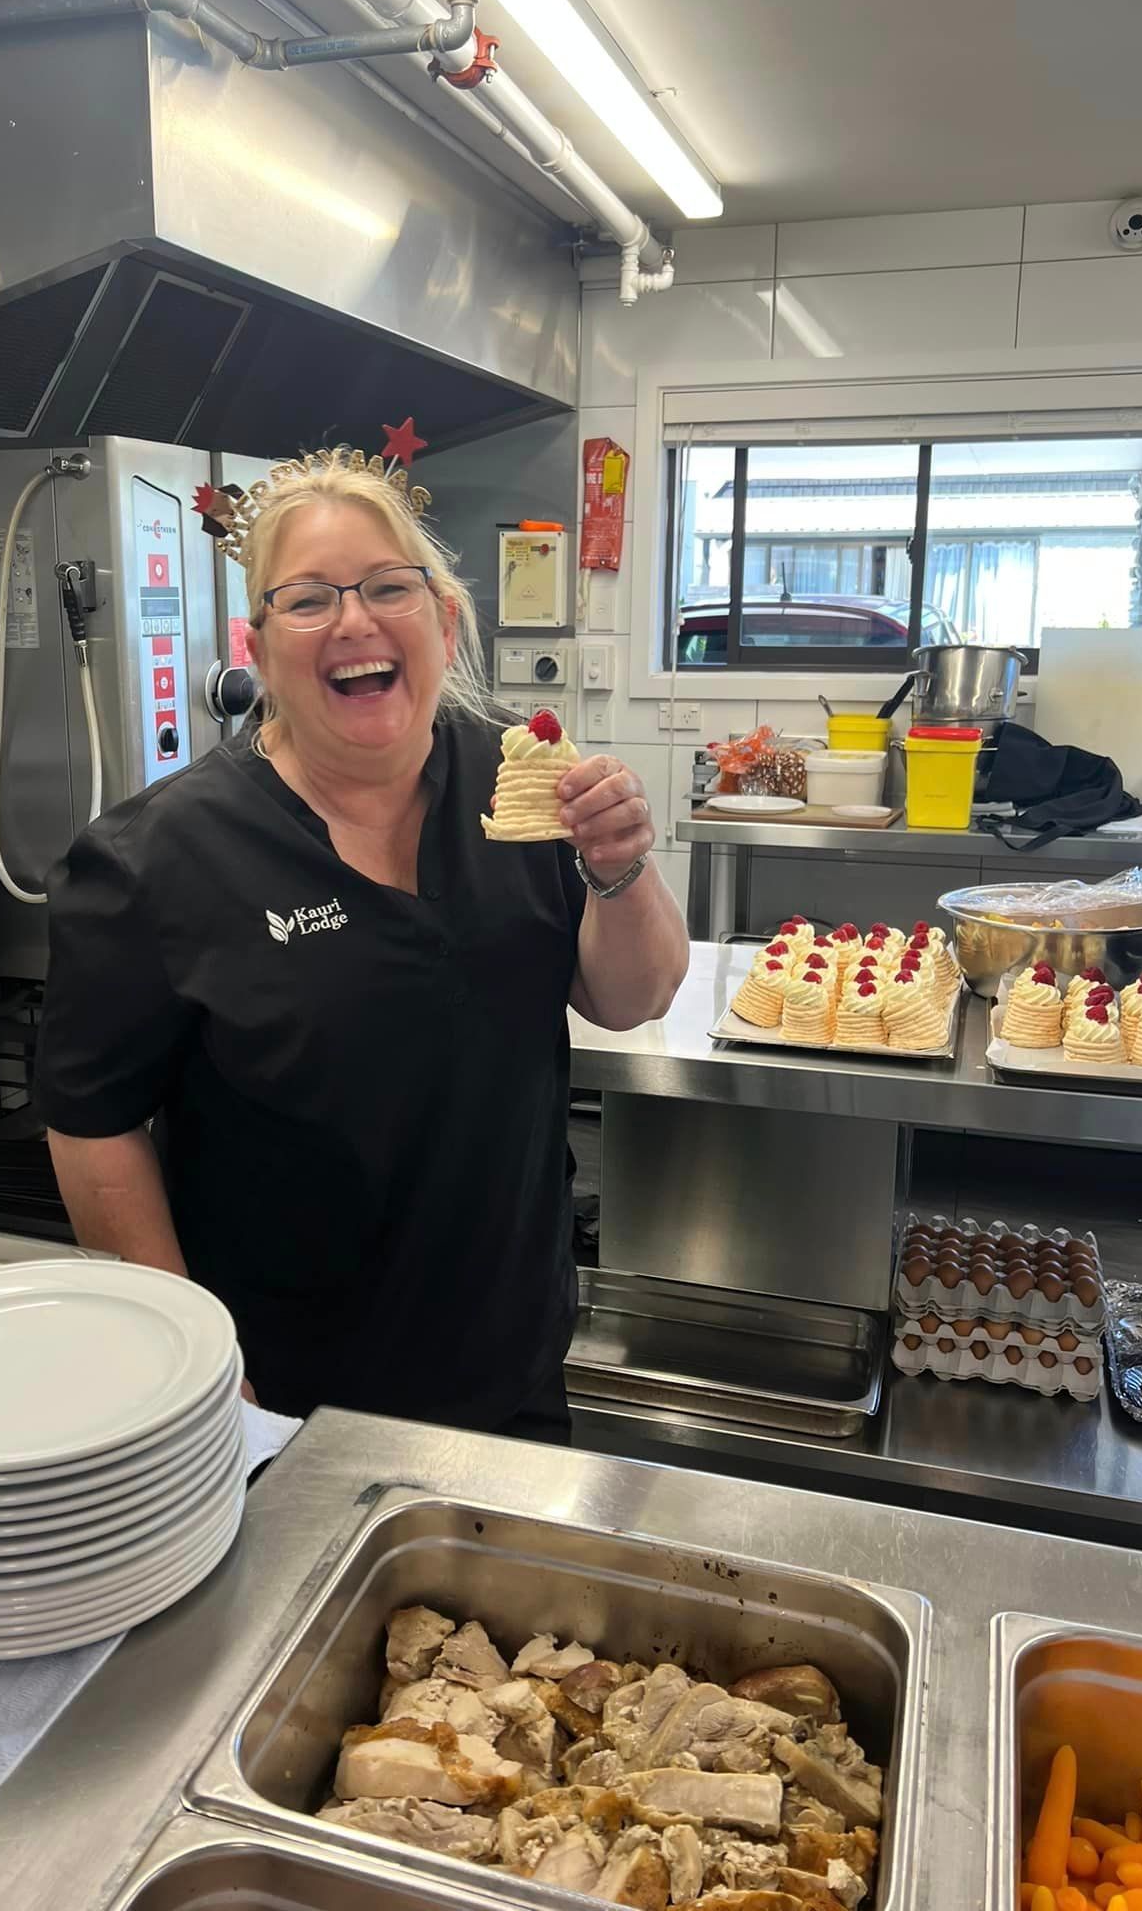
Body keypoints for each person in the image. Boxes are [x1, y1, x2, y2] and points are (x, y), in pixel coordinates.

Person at [34, 445, 688, 1438]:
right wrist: (190, 1353)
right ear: (255, 647)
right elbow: (93, 1123)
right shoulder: (155, 860)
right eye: (307, 600)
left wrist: (620, 865)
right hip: (284, 1392)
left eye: (390, 586)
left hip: (510, 1363)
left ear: (445, 620)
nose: (354, 619)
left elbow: (632, 996)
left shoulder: (526, 779)